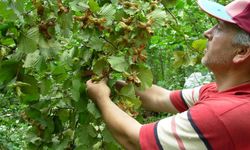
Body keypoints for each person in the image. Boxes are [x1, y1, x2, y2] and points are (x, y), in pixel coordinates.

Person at [86, 0, 250, 149]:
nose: (207, 32)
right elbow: (161, 97)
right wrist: (110, 81)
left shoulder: (223, 115)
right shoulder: (220, 91)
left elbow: (134, 139)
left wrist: (101, 97)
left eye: (220, 27)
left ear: (241, 51)